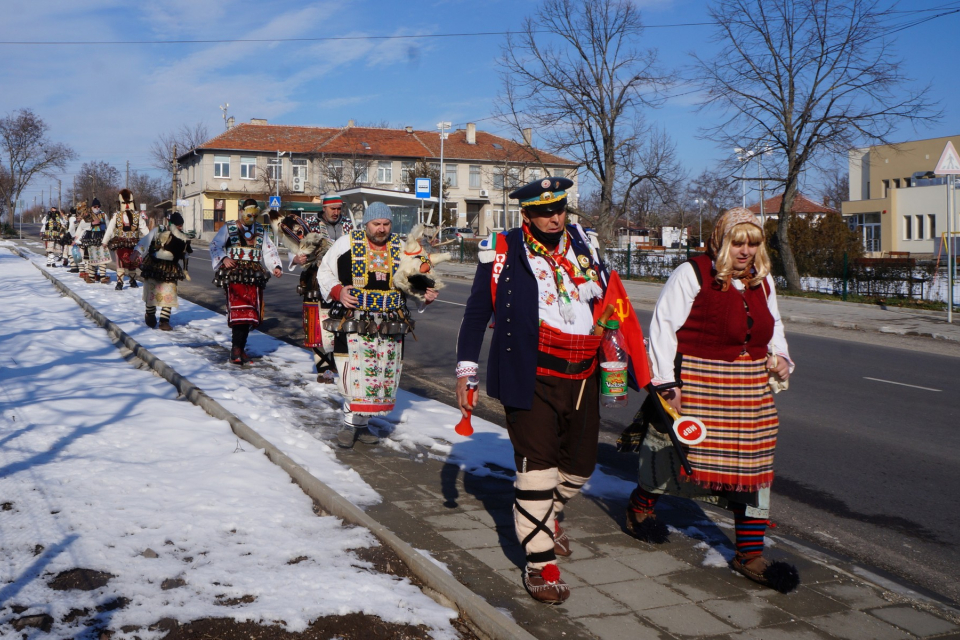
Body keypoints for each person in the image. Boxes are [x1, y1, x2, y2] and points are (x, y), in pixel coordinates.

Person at [627, 207, 799, 593]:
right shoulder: (692, 273)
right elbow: (663, 326)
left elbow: (775, 326)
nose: (746, 251)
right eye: (738, 242)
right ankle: (639, 509)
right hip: (697, 379)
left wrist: (782, 358)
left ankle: (749, 554)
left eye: (753, 243)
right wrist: (667, 382)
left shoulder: (763, 280)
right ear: (721, 241)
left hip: (749, 384)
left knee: (754, 466)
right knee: (674, 458)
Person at [455, 176, 608, 604]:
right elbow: (474, 314)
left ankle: (541, 515)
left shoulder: (583, 244)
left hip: (583, 374)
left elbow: (607, 302)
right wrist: (466, 369)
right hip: (530, 374)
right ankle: (540, 564)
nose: (554, 217)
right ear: (527, 214)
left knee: (579, 467)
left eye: (559, 207)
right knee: (537, 470)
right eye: (544, 211)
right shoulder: (503, 250)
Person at [317, 201, 438, 449]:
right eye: (376, 224)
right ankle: (351, 424)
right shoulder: (346, 243)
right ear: (366, 224)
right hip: (353, 320)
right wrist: (338, 291)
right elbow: (324, 271)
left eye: (386, 224)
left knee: (378, 373)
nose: (382, 229)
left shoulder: (402, 248)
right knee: (353, 372)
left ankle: (361, 424)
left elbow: (412, 283)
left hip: (389, 322)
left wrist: (423, 296)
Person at [210, 199, 282, 364]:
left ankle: (240, 349)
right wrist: (224, 258)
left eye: (255, 215)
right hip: (235, 275)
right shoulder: (229, 227)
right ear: (241, 211)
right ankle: (236, 349)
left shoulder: (260, 229)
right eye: (249, 214)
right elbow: (215, 245)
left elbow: (269, 250)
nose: (252, 218)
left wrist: (275, 266)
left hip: (253, 276)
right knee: (238, 312)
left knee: (250, 313)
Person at [291, 192, 352, 382]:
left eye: (338, 209)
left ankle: (339, 363)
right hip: (315, 281)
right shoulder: (309, 225)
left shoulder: (349, 226)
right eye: (332, 209)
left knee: (341, 323)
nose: (336, 212)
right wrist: (295, 258)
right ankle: (324, 368)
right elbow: (294, 248)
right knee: (318, 325)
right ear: (323, 208)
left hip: (342, 282)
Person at [133, 211, 192, 331]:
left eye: (181, 225)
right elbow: (146, 240)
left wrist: (185, 268)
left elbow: (185, 254)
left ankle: (164, 321)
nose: (180, 227)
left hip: (171, 268)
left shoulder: (182, 238)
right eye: (178, 225)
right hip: (154, 265)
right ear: (172, 224)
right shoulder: (158, 231)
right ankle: (150, 314)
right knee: (152, 291)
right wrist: (137, 251)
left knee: (169, 292)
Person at [102, 189, 149, 290]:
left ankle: (132, 279)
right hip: (120, 243)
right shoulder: (117, 216)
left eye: (129, 202)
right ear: (120, 203)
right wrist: (105, 241)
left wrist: (151, 239)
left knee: (133, 262)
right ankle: (120, 282)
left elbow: (144, 229)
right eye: (124, 203)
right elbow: (110, 229)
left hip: (134, 243)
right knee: (120, 263)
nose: (127, 205)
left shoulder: (137, 216)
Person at [75, 199, 111, 284]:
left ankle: (102, 276)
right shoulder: (88, 215)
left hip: (102, 237)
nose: (97, 208)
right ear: (92, 207)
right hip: (91, 237)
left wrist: (110, 237)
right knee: (92, 257)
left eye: (98, 206)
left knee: (103, 257)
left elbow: (109, 226)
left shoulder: (103, 215)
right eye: (95, 206)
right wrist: (92, 224)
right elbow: (82, 225)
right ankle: (91, 276)